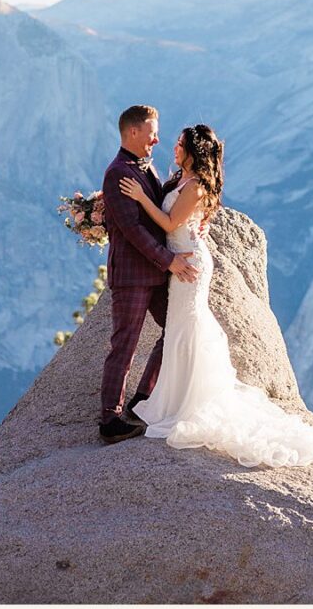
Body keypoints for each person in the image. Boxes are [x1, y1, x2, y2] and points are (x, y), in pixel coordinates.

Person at [119, 123, 313, 468]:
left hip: (188, 263)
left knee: (186, 328)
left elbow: (171, 224)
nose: (173, 148)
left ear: (194, 151)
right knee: (180, 329)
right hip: (181, 259)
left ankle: (185, 403)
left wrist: (140, 197)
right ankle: (172, 398)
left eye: (179, 144)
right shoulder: (180, 179)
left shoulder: (197, 186)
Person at [98, 105, 199, 445]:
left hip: (155, 273)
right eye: (152, 132)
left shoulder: (144, 167)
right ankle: (110, 419)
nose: (157, 139)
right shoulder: (118, 173)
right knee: (124, 344)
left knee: (173, 330)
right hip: (132, 275)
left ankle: (143, 399)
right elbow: (132, 229)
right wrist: (169, 260)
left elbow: (159, 214)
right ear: (133, 132)